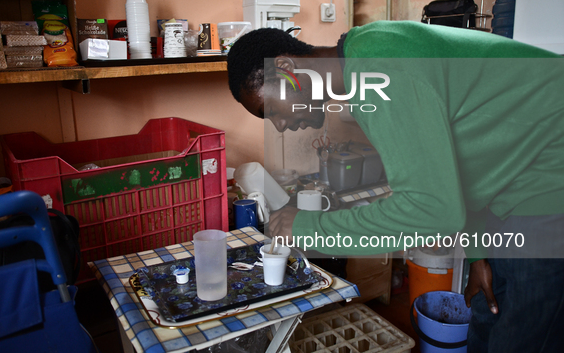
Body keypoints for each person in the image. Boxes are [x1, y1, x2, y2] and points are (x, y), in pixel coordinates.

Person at [226, 20, 564, 352]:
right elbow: (461, 164)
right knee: (487, 319)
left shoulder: (381, 68)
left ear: (285, 67)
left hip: (549, 176)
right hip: (513, 182)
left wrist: (307, 227)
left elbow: (431, 211)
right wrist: (478, 254)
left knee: (522, 336)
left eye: (271, 111)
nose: (281, 125)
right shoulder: (364, 54)